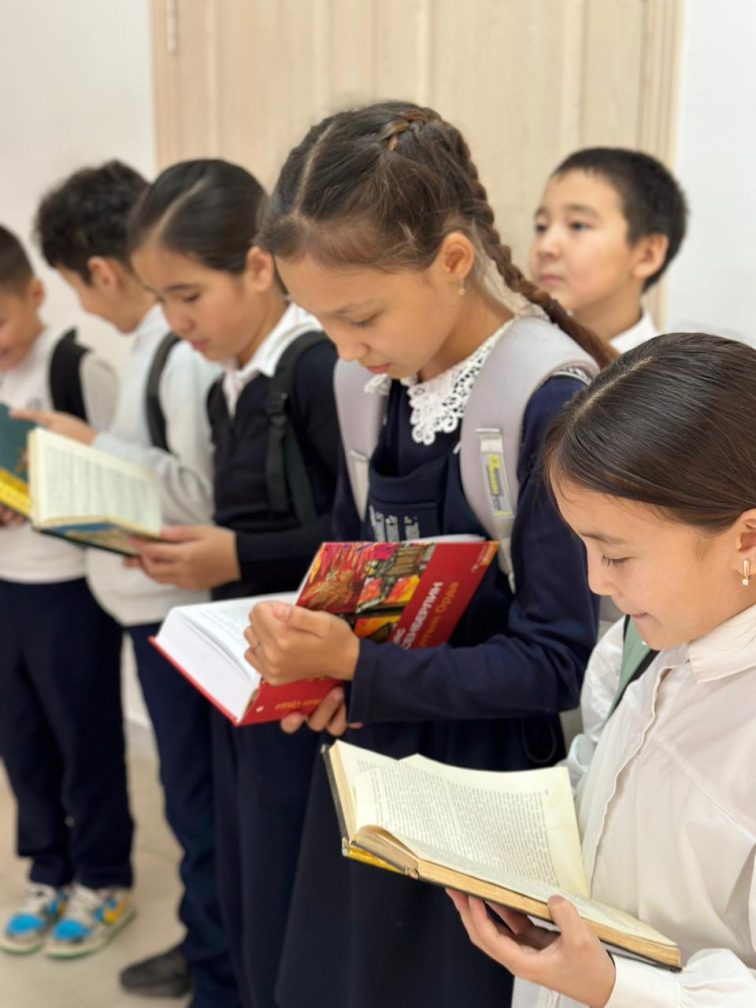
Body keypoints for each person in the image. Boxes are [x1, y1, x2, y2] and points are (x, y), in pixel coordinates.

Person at [244, 100, 613, 1008]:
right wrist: (322, 665)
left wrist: (361, 669)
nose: (344, 347)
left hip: (487, 790)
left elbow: (558, 660)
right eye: (319, 321)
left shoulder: (545, 399)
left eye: (360, 315)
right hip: (373, 764)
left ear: (451, 260)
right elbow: (352, 571)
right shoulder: (365, 384)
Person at [449, 331, 756, 1007]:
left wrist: (616, 986)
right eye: (584, 547)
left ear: (747, 538)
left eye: (616, 555)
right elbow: (594, 779)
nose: (594, 581)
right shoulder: (637, 644)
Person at [126, 158, 341, 1008]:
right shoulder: (230, 383)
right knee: (238, 861)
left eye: (189, 294)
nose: (176, 322)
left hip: (299, 682)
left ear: (259, 266)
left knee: (284, 883)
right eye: (161, 300)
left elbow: (351, 540)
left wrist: (235, 558)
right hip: (240, 665)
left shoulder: (314, 370)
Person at [31, 162, 237, 1007]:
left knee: (198, 805)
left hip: (178, 618)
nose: (84, 307)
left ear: (99, 272)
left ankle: (218, 968)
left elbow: (195, 495)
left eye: (75, 288)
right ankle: (205, 944)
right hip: (155, 615)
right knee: (190, 804)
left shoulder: (180, 355)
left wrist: (88, 447)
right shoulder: (159, 345)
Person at [0, 225, 131, 957]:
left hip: (71, 589)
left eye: (0, 321)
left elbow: (123, 481)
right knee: (20, 740)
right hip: (6, 585)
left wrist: (43, 494)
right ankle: (48, 871)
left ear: (35, 292)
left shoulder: (78, 367)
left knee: (84, 738)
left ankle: (104, 879)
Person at [529, 147, 687, 351]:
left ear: (647, 255)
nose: (545, 247)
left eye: (578, 225)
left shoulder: (663, 368)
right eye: (541, 227)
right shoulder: (519, 348)